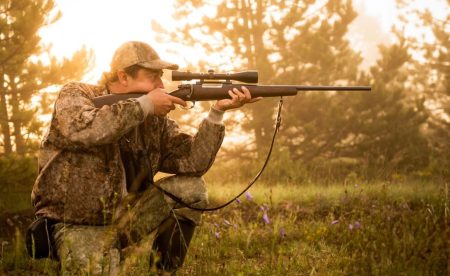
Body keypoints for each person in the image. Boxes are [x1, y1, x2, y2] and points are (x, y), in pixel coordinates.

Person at [30, 41, 260, 275]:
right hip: (75, 224)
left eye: (160, 76)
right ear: (123, 76)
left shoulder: (154, 118)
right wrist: (146, 104)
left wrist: (217, 113)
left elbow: (193, 162)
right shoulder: (77, 94)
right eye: (152, 77)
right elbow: (84, 130)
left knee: (191, 189)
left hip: (125, 219)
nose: (160, 85)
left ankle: (162, 271)